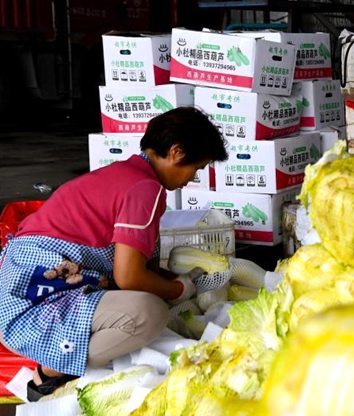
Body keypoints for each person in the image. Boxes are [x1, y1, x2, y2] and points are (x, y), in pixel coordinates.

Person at [0, 106, 228, 401]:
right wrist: (177, 289)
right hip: (29, 312)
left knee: (148, 298)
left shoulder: (127, 174)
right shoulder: (145, 188)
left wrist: (165, 281)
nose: (191, 179)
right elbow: (129, 276)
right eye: (196, 168)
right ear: (176, 152)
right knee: (149, 312)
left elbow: (135, 263)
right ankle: (49, 373)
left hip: (15, 292)